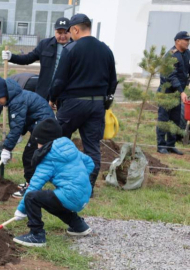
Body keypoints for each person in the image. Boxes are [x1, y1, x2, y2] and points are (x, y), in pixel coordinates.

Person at [49, 13, 117, 195]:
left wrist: (52, 98)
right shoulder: (106, 50)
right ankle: (88, 188)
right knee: (92, 147)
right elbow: (113, 81)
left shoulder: (71, 49)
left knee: (60, 142)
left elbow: (59, 80)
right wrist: (105, 102)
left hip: (73, 104)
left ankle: (63, 183)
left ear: (76, 29)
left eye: (71, 31)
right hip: (96, 105)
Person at [12, 119, 94, 247]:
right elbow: (90, 162)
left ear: (42, 142)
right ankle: (79, 226)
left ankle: (36, 235)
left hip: (71, 195)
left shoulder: (48, 159)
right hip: (84, 193)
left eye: (37, 142)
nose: (36, 145)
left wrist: (21, 210)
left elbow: (33, 187)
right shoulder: (68, 146)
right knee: (54, 201)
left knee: (32, 197)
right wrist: (80, 179)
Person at [0, 73, 55, 198]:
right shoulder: (16, 97)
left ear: (3, 93)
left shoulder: (16, 101)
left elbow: (16, 126)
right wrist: (20, 134)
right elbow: (22, 120)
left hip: (44, 127)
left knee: (29, 156)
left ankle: (31, 188)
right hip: (41, 125)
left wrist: (7, 148)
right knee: (33, 155)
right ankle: (32, 183)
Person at [2, 17, 71, 100]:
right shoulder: (45, 45)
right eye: (59, 33)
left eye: (65, 32)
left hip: (66, 93)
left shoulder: (76, 47)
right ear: (55, 32)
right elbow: (28, 58)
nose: (62, 36)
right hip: (45, 92)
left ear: (70, 31)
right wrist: (11, 57)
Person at [156, 31, 190, 155]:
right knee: (164, 119)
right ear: (177, 41)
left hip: (177, 92)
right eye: (185, 40)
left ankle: (171, 145)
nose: (188, 42)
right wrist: (181, 91)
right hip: (167, 92)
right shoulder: (170, 56)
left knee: (175, 120)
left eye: (188, 40)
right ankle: (161, 145)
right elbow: (171, 76)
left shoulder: (187, 54)